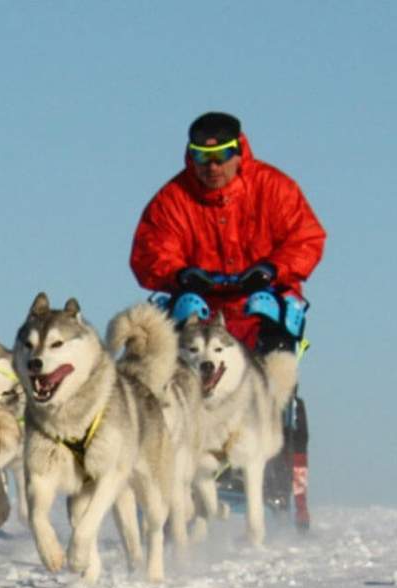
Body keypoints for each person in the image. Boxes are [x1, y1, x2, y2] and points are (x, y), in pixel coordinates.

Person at [129, 111, 325, 530]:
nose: (212, 167)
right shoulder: (172, 200)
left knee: (276, 376)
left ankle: (275, 469)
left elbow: (307, 237)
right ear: (190, 155)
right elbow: (149, 251)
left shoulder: (274, 188)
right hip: (200, 314)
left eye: (220, 156)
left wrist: (274, 269)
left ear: (239, 152)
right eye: (202, 156)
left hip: (260, 307)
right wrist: (179, 274)